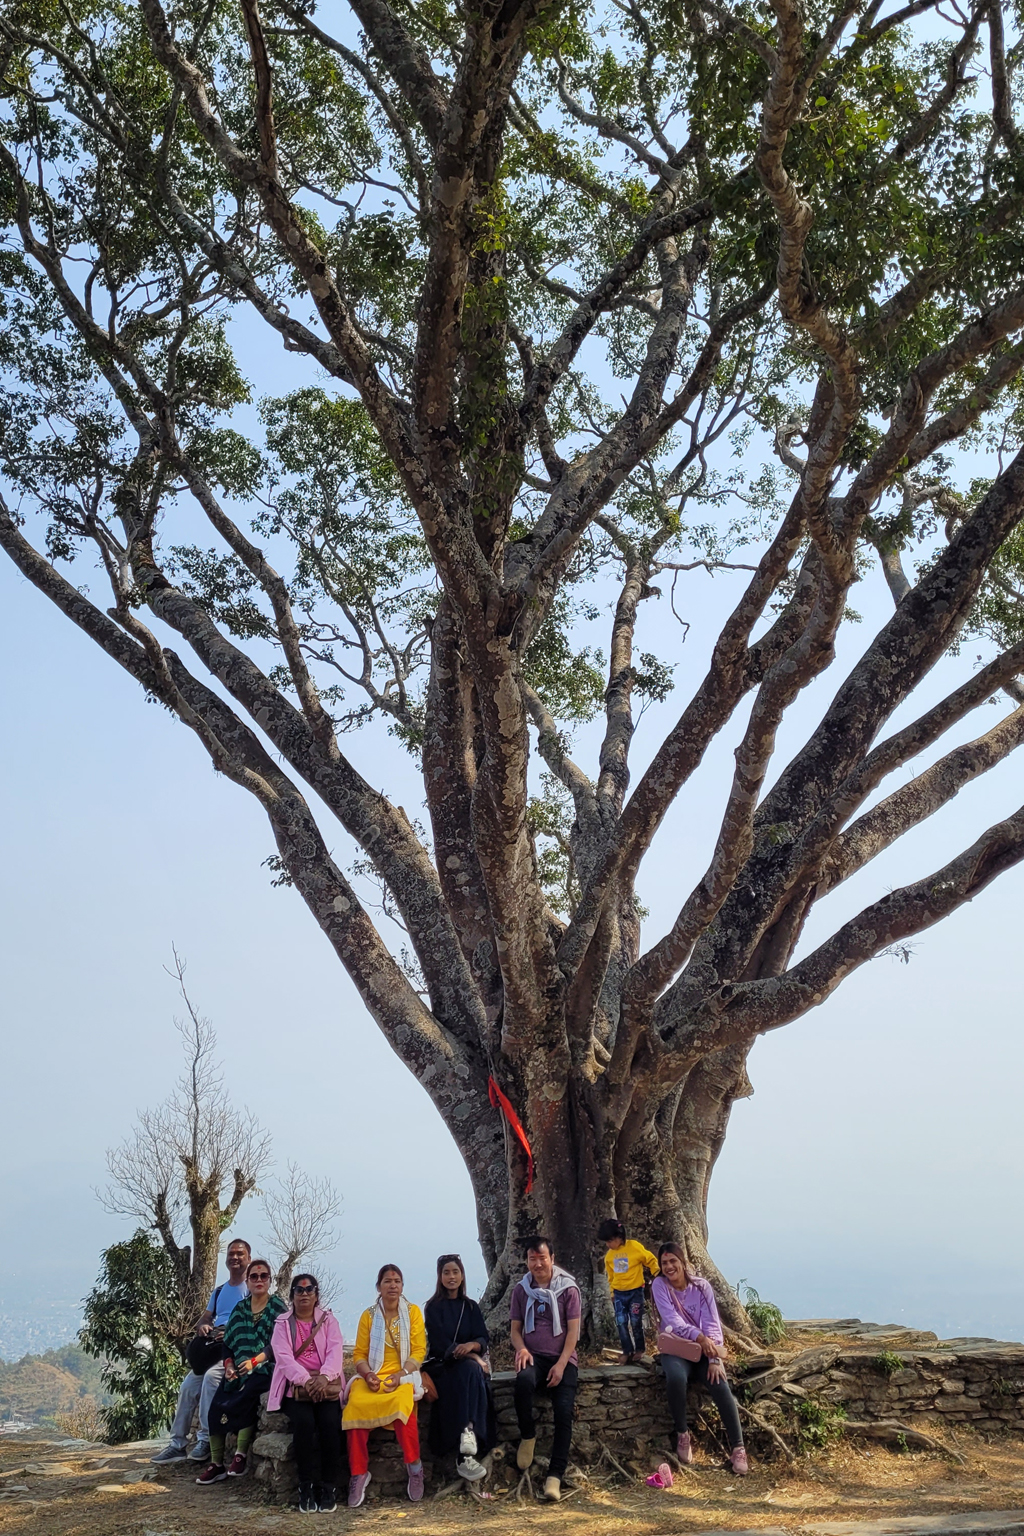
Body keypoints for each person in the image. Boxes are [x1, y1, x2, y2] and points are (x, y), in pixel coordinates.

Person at [152, 1237, 251, 1466]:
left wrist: (231, 1332)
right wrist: (203, 1326)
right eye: (231, 1254)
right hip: (213, 1348)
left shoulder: (250, 1291)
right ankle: (177, 1445)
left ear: (249, 1258)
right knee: (187, 1387)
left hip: (232, 1350)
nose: (235, 1258)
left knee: (209, 1380)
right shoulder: (219, 1292)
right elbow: (205, 1317)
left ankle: (205, 1440)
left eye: (240, 1254)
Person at [652, 1243, 748, 1475]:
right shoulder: (660, 1285)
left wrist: (715, 1358)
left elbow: (712, 1322)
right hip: (677, 1348)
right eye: (664, 1263)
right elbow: (672, 1320)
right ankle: (683, 1434)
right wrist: (698, 1336)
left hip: (705, 1350)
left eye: (673, 1261)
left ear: (683, 1263)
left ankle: (738, 1448)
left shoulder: (701, 1286)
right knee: (675, 1378)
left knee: (719, 1383)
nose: (669, 1267)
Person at [343, 1264, 427, 1508]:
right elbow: (358, 1354)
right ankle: (358, 1474)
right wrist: (368, 1375)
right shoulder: (368, 1316)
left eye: (397, 1281)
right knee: (355, 1406)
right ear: (378, 1287)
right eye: (388, 1281)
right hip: (372, 1377)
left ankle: (415, 1468)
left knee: (404, 1405)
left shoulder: (412, 1313)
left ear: (402, 1286)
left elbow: (419, 1350)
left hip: (403, 1377)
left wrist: (401, 1374)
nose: (393, 1285)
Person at [198, 1258, 286, 1485]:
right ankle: (217, 1464)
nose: (259, 1280)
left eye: (263, 1276)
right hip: (237, 1369)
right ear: (247, 1281)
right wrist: (228, 1365)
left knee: (247, 1395)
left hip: (265, 1369)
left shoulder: (278, 1308)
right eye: (254, 1276)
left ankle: (240, 1455)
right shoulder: (240, 1309)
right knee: (217, 1403)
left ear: (270, 1280)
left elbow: (280, 1344)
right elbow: (228, 1343)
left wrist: (254, 1362)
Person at [509, 1236, 581, 1504]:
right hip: (534, 1356)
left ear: (552, 1258)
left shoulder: (568, 1289)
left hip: (563, 1358)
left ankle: (555, 1476)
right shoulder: (520, 1290)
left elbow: (573, 1332)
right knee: (523, 1383)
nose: (538, 1264)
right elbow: (515, 1331)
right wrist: (522, 1350)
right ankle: (528, 1436)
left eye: (542, 1258)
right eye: (532, 1259)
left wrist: (562, 1365)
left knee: (563, 1412)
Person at [268, 1273, 345, 1514]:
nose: (304, 1294)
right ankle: (306, 1486)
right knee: (303, 1423)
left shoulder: (329, 1321)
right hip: (296, 1388)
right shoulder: (282, 1323)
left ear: (316, 1295)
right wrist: (304, 1380)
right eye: (299, 1290)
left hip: (326, 1385)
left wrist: (323, 1377)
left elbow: (335, 1350)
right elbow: (283, 1357)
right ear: (291, 1295)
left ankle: (329, 1486)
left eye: (309, 1289)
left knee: (331, 1423)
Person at [423, 1254, 494, 1482]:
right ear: (440, 1277)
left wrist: (473, 1347)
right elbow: (442, 1344)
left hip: (467, 1370)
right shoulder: (433, 1307)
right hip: (444, 1367)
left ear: (462, 1275)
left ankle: (467, 1438)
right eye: (446, 1272)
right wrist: (475, 1357)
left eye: (455, 1272)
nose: (451, 1277)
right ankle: (468, 1437)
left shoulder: (471, 1307)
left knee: (472, 1373)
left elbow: (482, 1336)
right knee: (472, 1371)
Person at [597, 1218, 659, 1363]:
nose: (608, 1245)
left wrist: (657, 1273)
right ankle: (627, 1350)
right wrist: (612, 1293)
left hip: (635, 1292)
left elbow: (650, 1259)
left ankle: (639, 1349)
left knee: (636, 1321)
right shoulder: (609, 1257)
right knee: (621, 1322)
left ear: (619, 1237)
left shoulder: (634, 1247)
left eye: (610, 1241)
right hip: (619, 1294)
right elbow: (611, 1277)